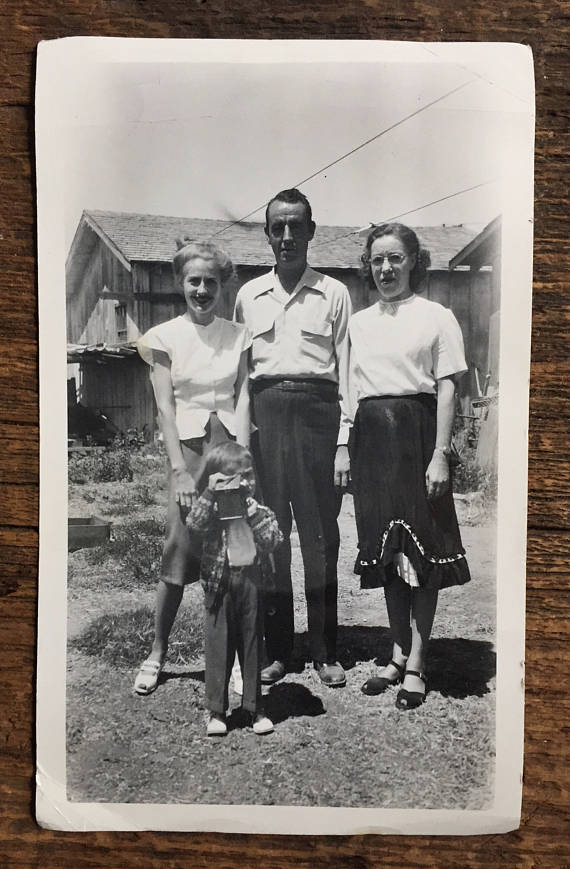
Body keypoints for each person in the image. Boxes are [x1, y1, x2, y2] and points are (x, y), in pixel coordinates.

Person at [347, 222, 471, 709]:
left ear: (414, 262)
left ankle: (418, 662)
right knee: (387, 555)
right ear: (368, 265)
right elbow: (349, 391)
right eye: (377, 259)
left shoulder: (437, 316)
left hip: (418, 437)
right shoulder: (358, 322)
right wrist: (345, 445)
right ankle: (397, 654)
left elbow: (446, 388)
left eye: (395, 258)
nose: (386, 268)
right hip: (372, 440)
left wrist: (441, 452)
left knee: (422, 554)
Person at [234, 188, 352, 688]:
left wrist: (344, 441)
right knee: (272, 536)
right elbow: (241, 378)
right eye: (277, 227)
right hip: (265, 418)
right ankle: (279, 648)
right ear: (267, 234)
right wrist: (241, 444)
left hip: (319, 417)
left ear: (311, 231)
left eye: (295, 226)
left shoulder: (334, 293)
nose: (287, 236)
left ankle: (325, 648)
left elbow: (348, 374)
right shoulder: (248, 296)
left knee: (321, 538)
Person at [133, 239, 251, 695]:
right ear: (181, 284)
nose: (202, 290)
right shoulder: (164, 337)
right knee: (180, 547)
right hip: (188, 451)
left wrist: (242, 456)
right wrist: (179, 469)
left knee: (233, 552)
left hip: (229, 448)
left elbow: (242, 395)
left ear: (222, 286)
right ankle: (158, 650)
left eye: (211, 282)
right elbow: (164, 408)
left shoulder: (238, 334)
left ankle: (235, 657)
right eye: (194, 281)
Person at [186, 442, 283, 735]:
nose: (246, 483)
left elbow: (273, 540)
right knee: (218, 647)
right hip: (220, 583)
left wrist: (252, 512)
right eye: (236, 478)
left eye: (249, 476)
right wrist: (209, 493)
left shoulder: (259, 509)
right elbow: (193, 524)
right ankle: (217, 711)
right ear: (218, 479)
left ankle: (254, 708)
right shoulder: (212, 510)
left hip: (251, 582)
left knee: (253, 645)